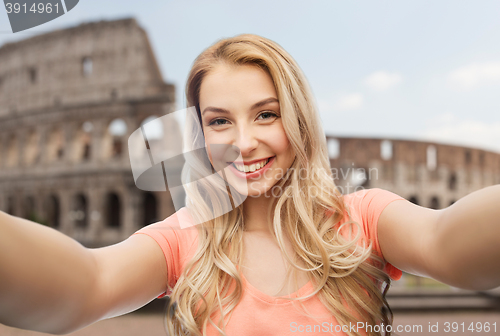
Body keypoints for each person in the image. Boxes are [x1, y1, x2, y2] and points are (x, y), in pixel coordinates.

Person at [0, 34, 499, 336]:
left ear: (300, 119)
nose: (243, 142)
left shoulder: (362, 217)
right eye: (219, 122)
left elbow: (447, 246)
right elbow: (85, 285)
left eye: (266, 114)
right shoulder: (187, 237)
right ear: (200, 134)